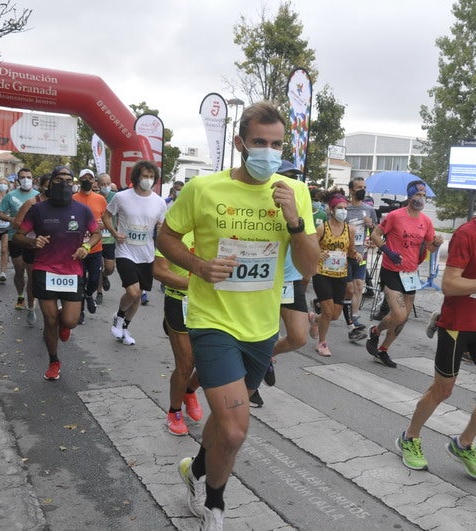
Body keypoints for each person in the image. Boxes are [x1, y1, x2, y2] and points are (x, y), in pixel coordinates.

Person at [157, 101, 319, 529]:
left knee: (226, 419)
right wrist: (197, 266)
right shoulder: (204, 189)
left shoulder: (294, 192)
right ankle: (215, 504)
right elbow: (167, 235)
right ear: (240, 143)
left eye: (277, 144)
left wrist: (294, 222)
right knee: (233, 431)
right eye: (260, 142)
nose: (269, 151)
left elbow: (309, 267)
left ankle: (193, 470)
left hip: (261, 328)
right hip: (212, 321)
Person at [396, 173, 476, 479]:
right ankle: (409, 438)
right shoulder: (467, 234)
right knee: (442, 391)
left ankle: (463, 444)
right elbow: (450, 285)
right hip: (456, 326)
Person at [12, 166, 100, 380]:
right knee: (50, 320)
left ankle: (65, 326)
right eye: (59, 179)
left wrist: (86, 247)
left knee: (69, 321)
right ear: (50, 183)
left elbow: (96, 233)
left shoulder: (82, 210)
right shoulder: (38, 209)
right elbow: (18, 236)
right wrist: (33, 241)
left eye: (69, 180)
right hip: (45, 268)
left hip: (72, 270)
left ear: (74, 184)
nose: (64, 184)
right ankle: (53, 361)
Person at [251, 160, 314, 408]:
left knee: (299, 338)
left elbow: (309, 250)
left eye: (295, 179)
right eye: (286, 178)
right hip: (263, 279)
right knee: (259, 338)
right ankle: (251, 386)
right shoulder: (259, 204)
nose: (291, 183)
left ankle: (267, 358)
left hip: (291, 279)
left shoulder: (300, 206)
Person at [366, 180, 444, 368]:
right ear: (409, 196)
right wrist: (388, 251)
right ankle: (376, 331)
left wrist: (437, 243)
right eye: (418, 195)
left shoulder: (426, 221)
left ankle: (382, 347)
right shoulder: (395, 216)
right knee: (399, 315)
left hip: (411, 274)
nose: (421, 198)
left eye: (424, 195)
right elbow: (376, 235)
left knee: (403, 318)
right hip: (391, 271)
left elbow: (431, 249)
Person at [102, 161, 167, 346]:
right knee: (133, 291)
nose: (148, 180)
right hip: (125, 251)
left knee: (138, 296)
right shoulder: (122, 197)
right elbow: (105, 216)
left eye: (151, 177)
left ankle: (125, 328)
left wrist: (161, 230)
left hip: (146, 253)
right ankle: (119, 317)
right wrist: (115, 233)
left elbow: (162, 229)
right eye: (145, 176)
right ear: (137, 176)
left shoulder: (159, 202)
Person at [153, 231, 203, 435]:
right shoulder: (176, 232)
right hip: (179, 300)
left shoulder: (223, 230)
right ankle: (174, 412)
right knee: (186, 363)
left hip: (213, 305)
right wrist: (197, 285)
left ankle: (189, 391)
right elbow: (159, 271)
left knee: (211, 360)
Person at [312, 192, 361, 356]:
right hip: (322, 273)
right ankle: (322, 343)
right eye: (339, 208)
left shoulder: (350, 230)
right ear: (331, 210)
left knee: (334, 315)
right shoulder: (322, 228)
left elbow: (351, 250)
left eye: (345, 209)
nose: (343, 212)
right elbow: (311, 246)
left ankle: (315, 319)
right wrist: (319, 253)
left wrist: (357, 255)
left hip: (340, 274)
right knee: (327, 311)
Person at [0, 168, 39, 309]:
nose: (26, 179)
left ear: (33, 179)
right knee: (19, 270)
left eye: (29, 176)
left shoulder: (38, 196)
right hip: (15, 238)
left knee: (32, 273)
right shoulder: (10, 195)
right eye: (23, 177)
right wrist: (10, 219)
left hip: (32, 240)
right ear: (18, 180)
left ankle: (32, 300)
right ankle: (20, 296)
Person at [12, 173, 52, 327]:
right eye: (47, 184)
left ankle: (53, 307)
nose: (50, 187)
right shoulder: (31, 202)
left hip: (54, 247)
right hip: (33, 246)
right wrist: (33, 229)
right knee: (34, 278)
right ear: (41, 185)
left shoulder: (61, 202)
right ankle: (31, 307)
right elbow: (17, 223)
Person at [72, 169, 108, 325]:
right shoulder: (72, 198)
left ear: (94, 181)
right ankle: (79, 310)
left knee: (94, 279)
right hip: (77, 248)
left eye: (90, 178)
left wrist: (102, 224)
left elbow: (106, 218)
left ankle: (88, 295)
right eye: (84, 178)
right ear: (79, 180)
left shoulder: (100, 199)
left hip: (95, 247)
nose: (87, 180)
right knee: (79, 280)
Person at [344, 176, 378, 341]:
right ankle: (320, 304)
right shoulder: (344, 209)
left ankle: (355, 317)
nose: (362, 190)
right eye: (358, 187)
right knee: (347, 290)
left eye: (364, 187)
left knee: (358, 286)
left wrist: (371, 226)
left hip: (361, 254)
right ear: (351, 190)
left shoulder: (369, 210)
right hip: (344, 254)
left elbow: (375, 233)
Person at [95, 173, 117, 304]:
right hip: (96, 237)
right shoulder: (94, 197)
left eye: (108, 183)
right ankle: (99, 292)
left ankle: (104, 276)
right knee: (98, 266)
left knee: (109, 268)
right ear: (98, 185)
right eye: (103, 184)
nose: (106, 186)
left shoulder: (115, 197)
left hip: (109, 239)